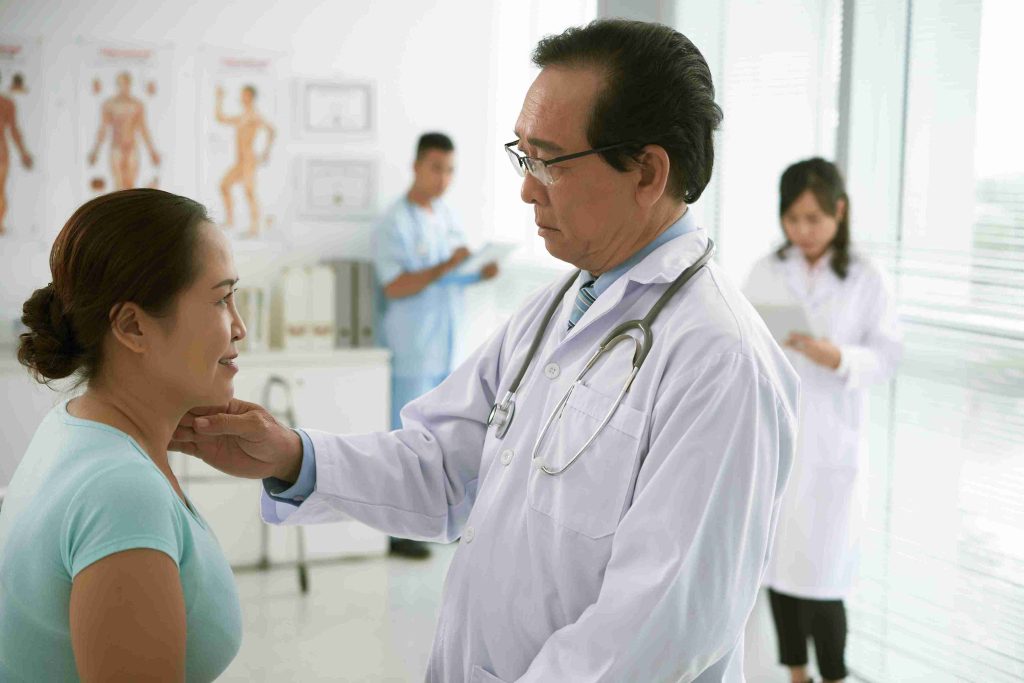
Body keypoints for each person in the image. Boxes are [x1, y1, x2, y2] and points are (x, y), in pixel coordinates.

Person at [173, 20, 800, 681]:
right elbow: (445, 467)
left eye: (549, 161)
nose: (527, 188)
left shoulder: (719, 360)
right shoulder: (560, 305)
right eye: (522, 156)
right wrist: (292, 456)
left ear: (647, 172)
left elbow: (658, 629)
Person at [0, 189, 245, 681]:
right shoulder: (121, 491)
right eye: (221, 299)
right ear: (133, 327)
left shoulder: (74, 423)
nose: (239, 327)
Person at [744, 158, 903, 683]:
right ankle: (796, 675)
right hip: (778, 436)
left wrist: (838, 356)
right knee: (778, 570)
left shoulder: (866, 276)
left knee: (826, 578)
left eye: (813, 218)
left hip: (834, 443)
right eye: (792, 219)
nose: (802, 231)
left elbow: (887, 355)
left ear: (840, 211)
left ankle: (832, 675)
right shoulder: (766, 270)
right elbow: (742, 335)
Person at [372, 131, 499, 558]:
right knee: (405, 443)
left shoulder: (446, 216)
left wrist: (478, 272)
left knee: (444, 440)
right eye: (436, 169)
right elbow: (394, 285)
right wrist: (446, 265)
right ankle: (397, 532)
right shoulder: (394, 222)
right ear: (416, 167)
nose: (443, 179)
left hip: (446, 346)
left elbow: (450, 275)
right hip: (411, 349)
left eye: (450, 171)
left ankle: (443, 521)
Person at [216, 84, 276, 238]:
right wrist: (219, 98)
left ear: (251, 97)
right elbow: (220, 118)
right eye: (242, 94)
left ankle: (255, 228)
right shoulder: (242, 116)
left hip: (249, 159)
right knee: (224, 185)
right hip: (239, 161)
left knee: (249, 191)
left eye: (245, 94)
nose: (242, 97)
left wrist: (266, 152)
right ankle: (230, 221)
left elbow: (272, 130)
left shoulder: (255, 115)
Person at [87, 72, 161, 191]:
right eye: (120, 84)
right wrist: (95, 151)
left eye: (125, 84)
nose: (123, 87)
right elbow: (103, 129)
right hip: (116, 147)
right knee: (118, 185)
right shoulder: (109, 105)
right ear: (117, 85)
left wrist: (152, 152)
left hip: (132, 147)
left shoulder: (137, 105)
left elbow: (143, 129)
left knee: (130, 185)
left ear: (129, 85)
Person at [0, 70, 33, 235]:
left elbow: (14, 130)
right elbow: (14, 131)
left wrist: (24, 153)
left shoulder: (7, 103)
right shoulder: (7, 103)